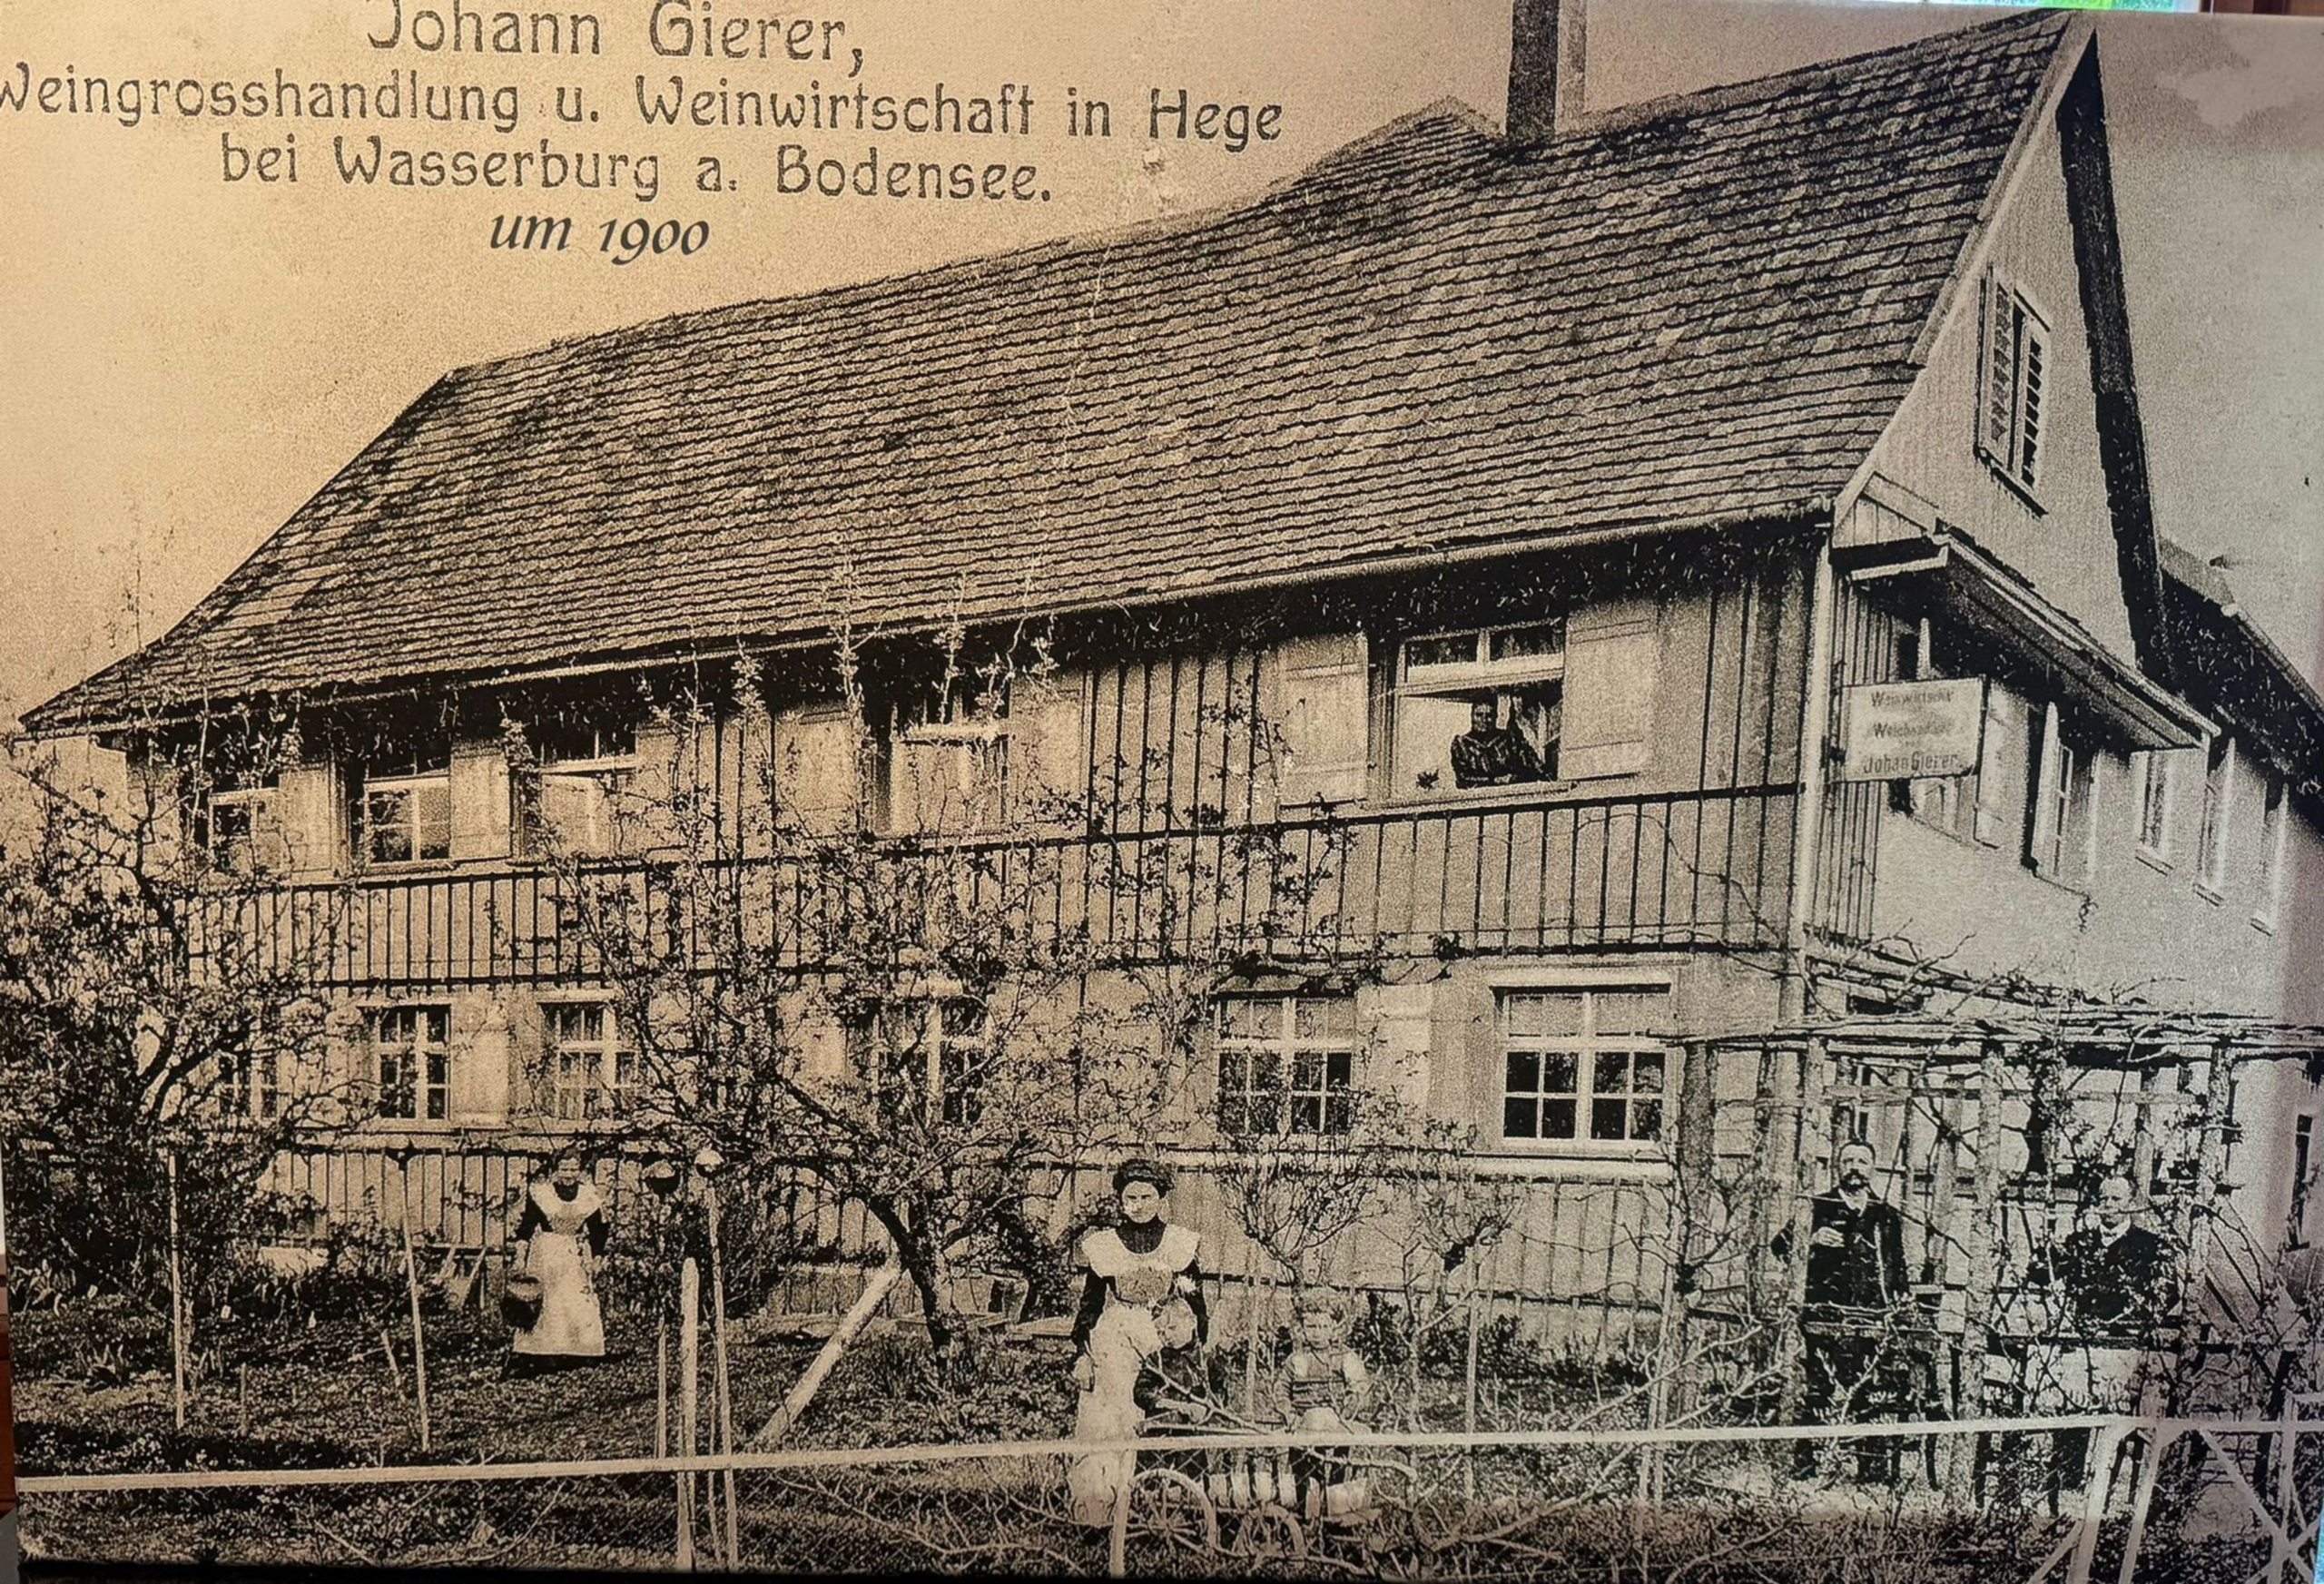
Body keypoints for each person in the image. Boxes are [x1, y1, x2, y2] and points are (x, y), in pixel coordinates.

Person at [1067, 1158, 1207, 1528]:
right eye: (1131, 1198)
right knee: (1108, 1421)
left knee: (1162, 1416)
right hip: (1116, 1339)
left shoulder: (1178, 1243)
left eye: (1147, 1197)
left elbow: (1195, 1302)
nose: (1139, 1205)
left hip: (1163, 1336)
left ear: (1160, 1198)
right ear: (1121, 1199)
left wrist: (1193, 1344)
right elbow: (1090, 1305)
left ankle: (1158, 1507)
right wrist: (1082, 1353)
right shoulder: (1106, 1245)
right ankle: (1099, 1509)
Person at [1774, 1138, 1911, 1481]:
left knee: (1871, 1388)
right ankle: (1805, 1463)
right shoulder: (1818, 1206)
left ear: (1873, 1168)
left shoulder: (1885, 1215)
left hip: (1870, 1318)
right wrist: (1809, 1239)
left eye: (1862, 1161)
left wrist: (1899, 1305)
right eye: (1848, 1160)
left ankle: (1871, 1467)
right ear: (1838, 1166)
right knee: (1816, 1387)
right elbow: (1779, 1247)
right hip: (1823, 1316)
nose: (1854, 1168)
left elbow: (1898, 1267)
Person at [1275, 1288, 1375, 1518]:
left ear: (1334, 1328)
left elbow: (1360, 1387)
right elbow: (1281, 1389)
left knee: (1340, 1464)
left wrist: (1348, 1409)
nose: (1317, 1333)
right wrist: (1289, 1414)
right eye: (1311, 1327)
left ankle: (1337, 1510)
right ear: (1302, 1328)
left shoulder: (1345, 1358)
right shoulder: (1297, 1359)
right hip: (1303, 1423)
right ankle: (1305, 1511)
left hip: (1336, 1423)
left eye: (1323, 1326)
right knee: (1303, 1467)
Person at [507, 1150, 609, 1374]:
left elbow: (598, 1230)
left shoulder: (588, 1195)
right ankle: (540, 1352)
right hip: (546, 1253)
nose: (569, 1175)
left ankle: (581, 1351)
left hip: (574, 1253)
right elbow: (526, 1226)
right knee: (548, 1303)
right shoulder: (542, 1194)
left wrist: (597, 1257)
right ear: (556, 1170)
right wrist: (520, 1257)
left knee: (577, 1301)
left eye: (574, 1169)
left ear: (580, 1170)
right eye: (564, 1169)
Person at [1448, 698, 1544, 789]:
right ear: (1472, 717)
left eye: (1489, 716)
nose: (1484, 720)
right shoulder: (1462, 745)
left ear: (1495, 717)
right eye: (1479, 715)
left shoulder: (1509, 739)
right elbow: (1463, 778)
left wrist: (1514, 778)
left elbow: (1532, 768)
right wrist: (1493, 781)